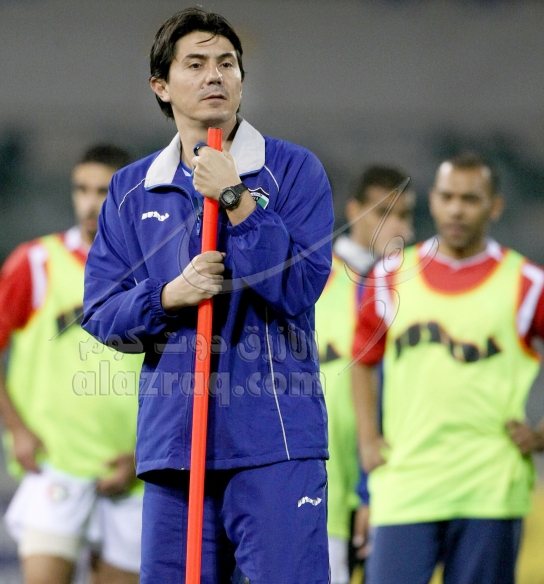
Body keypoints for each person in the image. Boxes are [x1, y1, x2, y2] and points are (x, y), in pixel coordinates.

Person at [81, 7, 334, 584]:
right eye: (195, 64)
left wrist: (236, 198)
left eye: (227, 63)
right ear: (162, 86)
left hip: (275, 441)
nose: (215, 75)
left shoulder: (293, 171)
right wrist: (169, 295)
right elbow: (101, 314)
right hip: (175, 448)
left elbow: (299, 286)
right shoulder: (131, 190)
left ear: (242, 78)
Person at [351, 152, 544, 584]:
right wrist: (367, 438)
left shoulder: (527, 283)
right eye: (447, 196)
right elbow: (362, 359)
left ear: (495, 206)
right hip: (406, 483)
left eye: (470, 199)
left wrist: (541, 434)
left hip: (490, 487)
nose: (456, 209)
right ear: (433, 201)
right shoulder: (388, 276)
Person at [0, 145, 144, 584]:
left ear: (129, 197)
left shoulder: (154, 273)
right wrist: (17, 429)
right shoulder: (38, 262)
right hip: (56, 462)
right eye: (81, 189)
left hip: (132, 470)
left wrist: (145, 456)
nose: (89, 202)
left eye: (103, 191)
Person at [316, 165, 415, 584]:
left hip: (384, 481)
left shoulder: (410, 290)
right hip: (318, 487)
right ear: (354, 211)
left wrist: (370, 489)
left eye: (405, 216)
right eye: (384, 213)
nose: (398, 227)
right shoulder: (310, 278)